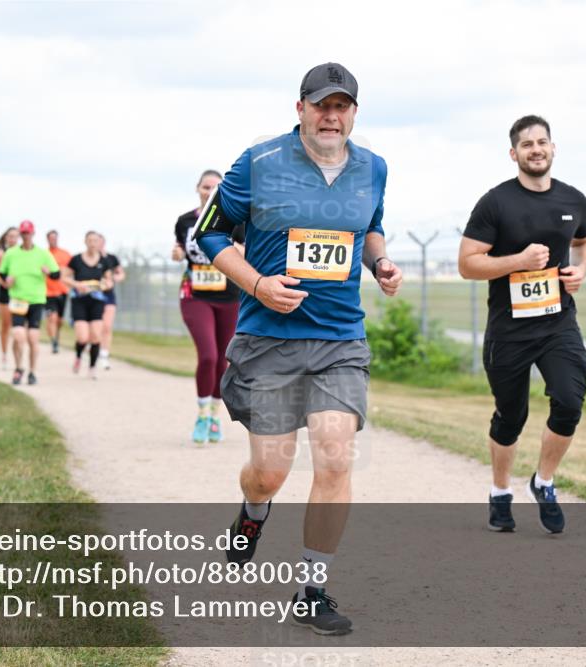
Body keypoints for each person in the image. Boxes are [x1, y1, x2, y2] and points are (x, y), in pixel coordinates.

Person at [197, 62, 402, 635]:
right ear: (301, 109)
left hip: (339, 339)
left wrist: (380, 262)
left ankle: (312, 589)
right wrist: (258, 284)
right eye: (321, 105)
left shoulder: (373, 167)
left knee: (335, 456)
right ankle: (253, 511)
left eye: (341, 106)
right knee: (269, 472)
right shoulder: (258, 162)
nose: (331, 116)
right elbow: (209, 232)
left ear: (354, 113)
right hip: (269, 340)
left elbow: (370, 227)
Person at [458, 114, 586, 535]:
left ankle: (544, 481)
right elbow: (467, 264)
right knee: (511, 417)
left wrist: (581, 269)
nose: (536, 149)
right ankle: (500, 491)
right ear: (513, 153)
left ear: (553, 148)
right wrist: (518, 261)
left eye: (542, 142)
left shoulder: (573, 200)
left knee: (569, 401)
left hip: (557, 324)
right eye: (527, 144)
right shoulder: (495, 203)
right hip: (509, 331)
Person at [173, 169, 244, 444]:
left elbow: (245, 252)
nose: (210, 191)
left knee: (223, 360)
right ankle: (202, 415)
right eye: (205, 187)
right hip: (195, 294)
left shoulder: (235, 220)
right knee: (208, 356)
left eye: (216, 187)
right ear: (197, 188)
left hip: (229, 296)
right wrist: (177, 252)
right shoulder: (185, 221)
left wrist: (230, 249)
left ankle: (214, 415)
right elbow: (180, 248)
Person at [0, 220, 60, 385]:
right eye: (23, 233)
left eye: (28, 233)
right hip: (18, 299)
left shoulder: (43, 254)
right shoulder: (11, 253)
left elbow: (57, 274)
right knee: (19, 336)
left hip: (36, 300)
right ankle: (19, 368)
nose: (26, 236)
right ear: (20, 234)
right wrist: (7, 280)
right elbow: (2, 272)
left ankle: (32, 372)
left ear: (33, 234)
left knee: (33, 338)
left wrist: (48, 272)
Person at [63, 231, 114, 380]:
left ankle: (92, 368)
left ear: (99, 243)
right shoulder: (76, 260)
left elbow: (109, 281)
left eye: (95, 241)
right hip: (79, 301)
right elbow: (64, 277)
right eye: (90, 240)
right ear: (85, 242)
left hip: (97, 301)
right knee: (83, 337)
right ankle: (78, 356)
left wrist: (105, 285)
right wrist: (77, 285)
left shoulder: (104, 261)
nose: (92, 244)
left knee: (96, 336)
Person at [0, 227, 19, 369]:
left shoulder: (22, 253)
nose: (13, 239)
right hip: (5, 293)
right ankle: (4, 355)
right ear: (6, 238)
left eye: (15, 236)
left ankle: (17, 356)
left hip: (20, 294)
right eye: (10, 236)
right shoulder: (1, 254)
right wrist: (3, 282)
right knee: (6, 325)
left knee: (18, 327)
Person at [97, 234, 125, 370]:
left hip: (108, 296)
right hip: (94, 295)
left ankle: (104, 354)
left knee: (107, 326)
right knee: (96, 327)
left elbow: (121, 273)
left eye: (100, 241)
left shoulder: (111, 258)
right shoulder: (90, 258)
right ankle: (94, 349)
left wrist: (113, 279)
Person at [44, 230, 72, 354]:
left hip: (62, 290)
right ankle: (54, 342)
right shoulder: (44, 254)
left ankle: (56, 335)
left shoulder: (65, 254)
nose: (53, 240)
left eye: (54, 238)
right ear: (47, 239)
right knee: (52, 318)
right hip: (48, 292)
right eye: (50, 238)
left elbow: (72, 270)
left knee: (59, 320)